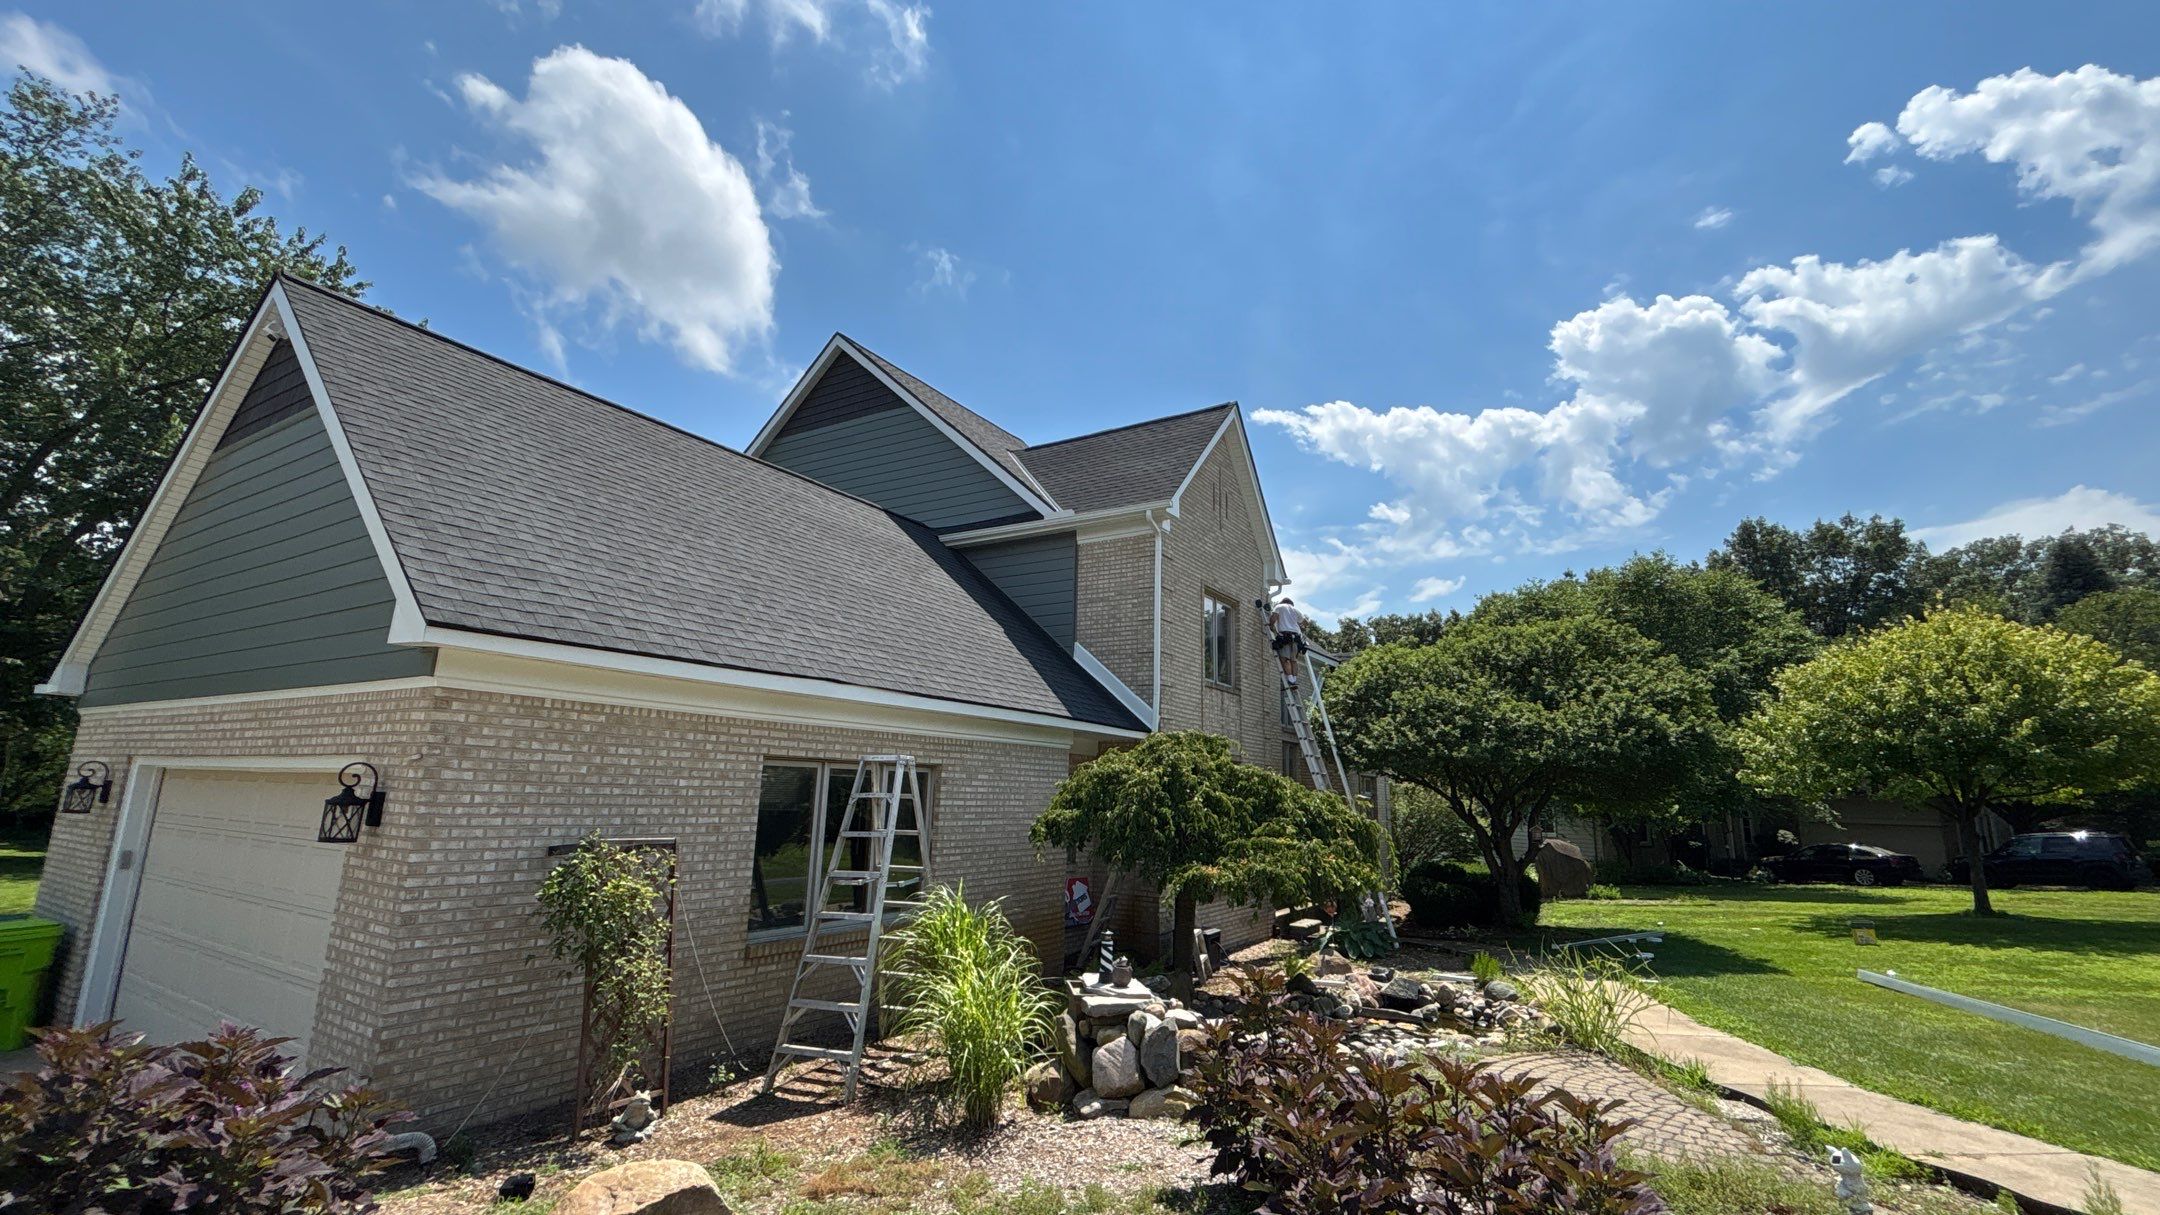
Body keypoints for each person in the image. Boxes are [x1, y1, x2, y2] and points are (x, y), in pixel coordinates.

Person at [1270, 597, 1305, 688]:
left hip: (1285, 636)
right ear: (1291, 604)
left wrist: (1270, 626)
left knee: (1285, 659)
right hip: (1296, 638)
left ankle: (1290, 679)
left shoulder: (1279, 606)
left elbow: (1274, 617)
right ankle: (1294, 679)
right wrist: (1295, 624)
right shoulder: (1296, 610)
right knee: (1294, 660)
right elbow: (1306, 623)